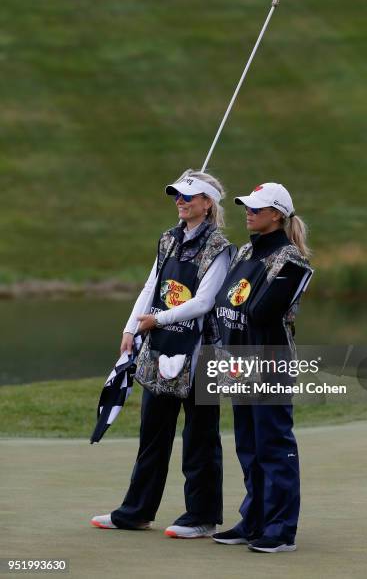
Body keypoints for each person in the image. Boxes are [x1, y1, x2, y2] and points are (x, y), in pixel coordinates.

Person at [91, 170, 234, 538]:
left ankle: (201, 517)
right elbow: (151, 285)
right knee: (153, 434)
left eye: (189, 197)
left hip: (201, 354)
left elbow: (203, 302)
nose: (180, 201)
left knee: (200, 439)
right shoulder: (168, 239)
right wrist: (130, 326)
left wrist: (156, 319)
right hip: (161, 350)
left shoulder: (219, 246)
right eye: (177, 196)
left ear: (207, 204)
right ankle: (136, 512)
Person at [212, 182, 313, 553]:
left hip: (269, 363)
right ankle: (253, 519)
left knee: (273, 446)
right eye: (247, 207)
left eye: (256, 208)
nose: (248, 212)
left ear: (277, 215)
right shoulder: (244, 252)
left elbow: (261, 311)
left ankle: (281, 529)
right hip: (236, 362)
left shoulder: (292, 261)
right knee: (249, 447)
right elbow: (225, 305)